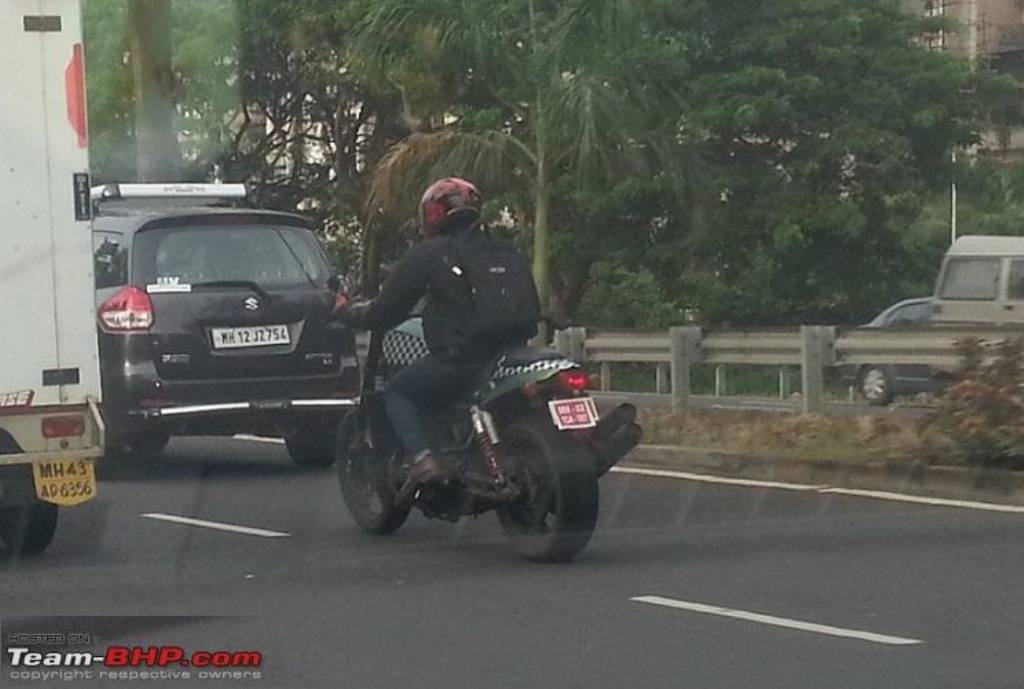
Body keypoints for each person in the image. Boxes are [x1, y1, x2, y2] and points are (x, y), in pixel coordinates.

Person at [340, 178, 541, 502]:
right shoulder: (503, 247)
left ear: (433, 214)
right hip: (513, 355)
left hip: (462, 360)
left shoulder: (430, 254)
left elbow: (385, 311)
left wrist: (348, 313)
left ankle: (423, 459)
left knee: (399, 392)